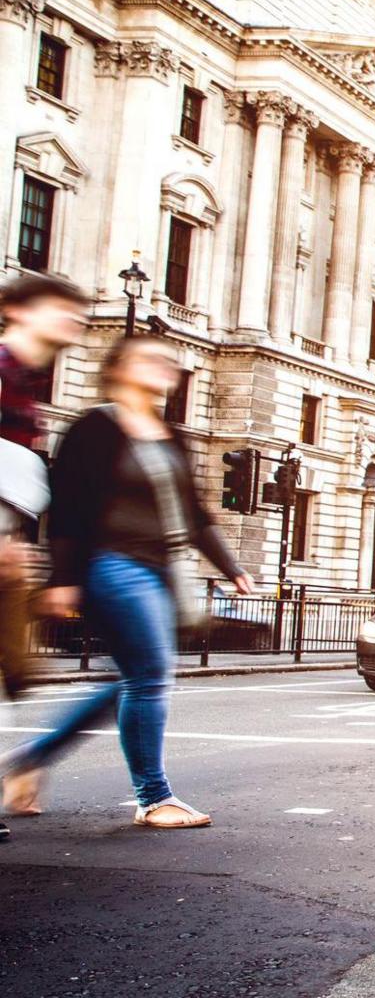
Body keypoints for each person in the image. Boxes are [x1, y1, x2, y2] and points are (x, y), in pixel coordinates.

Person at [0, 334, 253, 830]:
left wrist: (232, 567)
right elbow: (68, 508)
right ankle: (153, 797)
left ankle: (32, 757)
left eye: (169, 362)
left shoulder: (168, 433)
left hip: (160, 566)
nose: (165, 367)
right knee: (152, 672)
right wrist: (63, 579)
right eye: (150, 359)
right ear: (117, 369)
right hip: (111, 563)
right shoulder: (94, 427)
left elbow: (195, 514)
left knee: (135, 678)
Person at [0, 273, 88, 842]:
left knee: (11, 673)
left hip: (9, 549)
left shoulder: (24, 385)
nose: (75, 321)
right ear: (16, 310)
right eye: (61, 308)